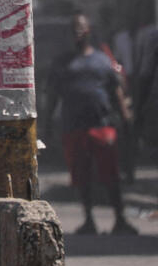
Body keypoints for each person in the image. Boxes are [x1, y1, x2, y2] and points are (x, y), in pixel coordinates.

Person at [48, 12, 138, 236]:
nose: (78, 31)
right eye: (74, 28)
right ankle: (89, 220)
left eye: (81, 27)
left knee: (111, 175)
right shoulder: (62, 64)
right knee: (82, 176)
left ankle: (120, 219)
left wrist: (126, 119)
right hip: (74, 128)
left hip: (102, 125)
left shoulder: (102, 60)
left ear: (89, 30)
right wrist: (48, 124)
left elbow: (116, 91)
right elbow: (52, 96)